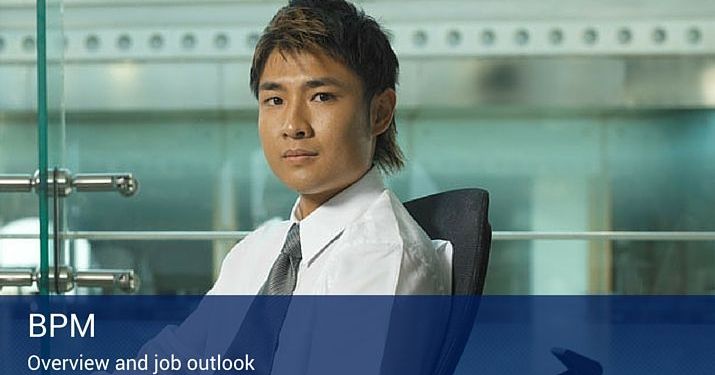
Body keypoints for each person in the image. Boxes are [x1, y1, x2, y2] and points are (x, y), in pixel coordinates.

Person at [209, 0, 451, 295]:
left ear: (380, 113)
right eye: (275, 100)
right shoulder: (256, 252)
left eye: (321, 97)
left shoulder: (381, 257)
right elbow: (186, 343)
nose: (293, 126)